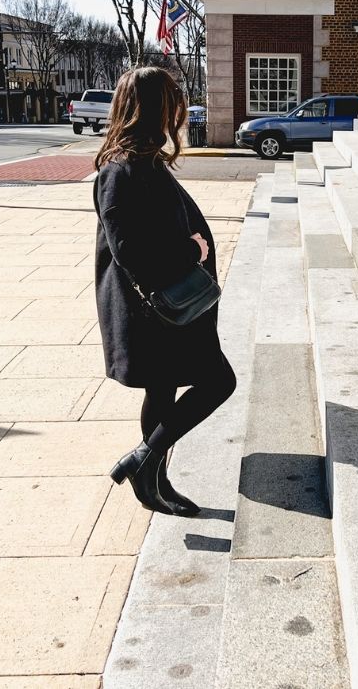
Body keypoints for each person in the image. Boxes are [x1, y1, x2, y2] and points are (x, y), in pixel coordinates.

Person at [93, 67, 237, 516]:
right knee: (218, 381)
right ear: (154, 108)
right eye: (174, 102)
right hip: (152, 311)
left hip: (169, 306)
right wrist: (188, 249)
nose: (180, 111)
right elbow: (128, 249)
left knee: (162, 390)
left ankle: (152, 477)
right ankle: (145, 459)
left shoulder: (147, 161)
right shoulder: (120, 170)